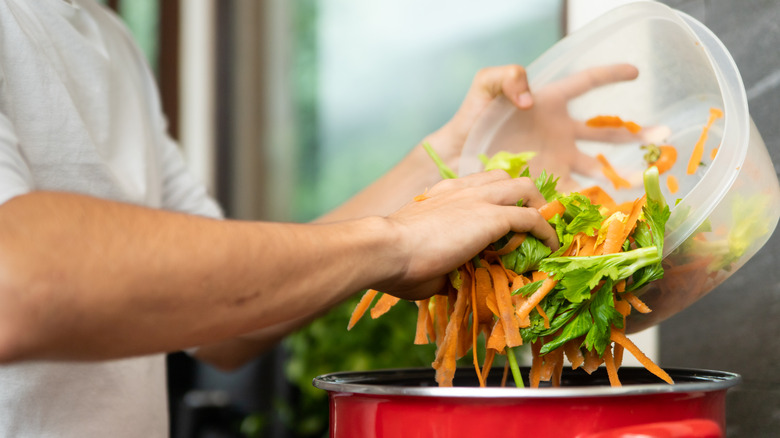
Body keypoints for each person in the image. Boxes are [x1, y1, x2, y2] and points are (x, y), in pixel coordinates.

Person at [0, 1, 640, 436]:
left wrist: (449, 159)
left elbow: (226, 316)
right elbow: (17, 284)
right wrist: (395, 242)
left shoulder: (103, 34)